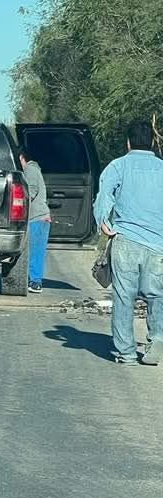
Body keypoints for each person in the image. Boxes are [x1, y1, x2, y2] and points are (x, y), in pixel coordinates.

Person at [93, 120, 163, 366]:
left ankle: (126, 353)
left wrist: (103, 220)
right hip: (158, 245)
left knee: (124, 297)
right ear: (153, 142)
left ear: (128, 142)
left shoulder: (118, 166)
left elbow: (104, 196)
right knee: (157, 296)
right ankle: (156, 342)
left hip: (126, 241)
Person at [19, 145, 51, 293]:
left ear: (21, 157)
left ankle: (36, 282)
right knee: (34, 251)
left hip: (37, 217)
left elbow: (30, 192)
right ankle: (34, 280)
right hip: (39, 217)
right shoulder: (34, 169)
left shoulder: (30, 170)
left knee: (35, 251)